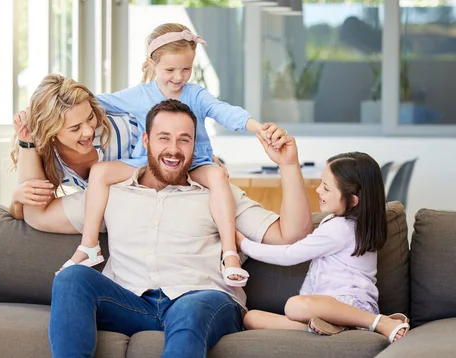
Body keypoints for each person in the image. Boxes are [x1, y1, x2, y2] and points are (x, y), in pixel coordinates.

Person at [47, 99, 312, 357]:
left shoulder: (218, 193)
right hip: (130, 303)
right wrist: (22, 175)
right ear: (146, 141)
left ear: (194, 145)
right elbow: (38, 216)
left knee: (192, 306)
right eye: (164, 138)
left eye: (184, 139)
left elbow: (291, 235)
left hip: (202, 302)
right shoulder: (111, 191)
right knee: (71, 278)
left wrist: (288, 164)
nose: (173, 149)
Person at [65, 23, 272, 286]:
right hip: (148, 163)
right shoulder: (139, 96)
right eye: (170, 70)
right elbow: (96, 101)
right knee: (100, 171)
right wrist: (51, 104)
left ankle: (230, 252)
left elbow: (224, 111)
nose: (179, 77)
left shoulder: (195, 94)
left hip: (194, 162)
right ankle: (89, 245)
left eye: (186, 69)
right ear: (152, 63)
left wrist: (258, 128)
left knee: (218, 175)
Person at [238, 152, 410, 343]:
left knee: (294, 306)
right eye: (321, 183)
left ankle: (378, 323)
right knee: (251, 318)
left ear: (353, 201)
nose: (318, 190)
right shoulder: (347, 223)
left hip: (351, 308)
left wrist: (243, 244)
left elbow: (289, 254)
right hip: (328, 311)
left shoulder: (340, 228)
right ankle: (321, 328)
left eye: (326, 188)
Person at [8, 73, 139, 236]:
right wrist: (16, 199)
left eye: (90, 117)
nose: (89, 131)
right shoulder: (46, 154)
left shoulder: (124, 129)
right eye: (75, 128)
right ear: (52, 132)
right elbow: (32, 213)